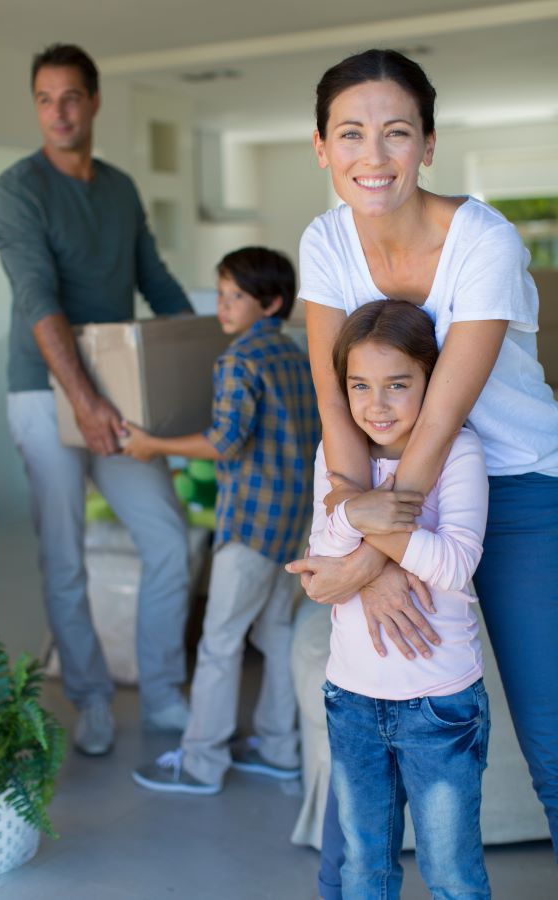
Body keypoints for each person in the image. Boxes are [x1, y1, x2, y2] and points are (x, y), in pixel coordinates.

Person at [284, 48, 558, 894]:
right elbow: (337, 403)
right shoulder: (326, 240)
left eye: (397, 133)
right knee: (361, 715)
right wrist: (352, 521)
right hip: (374, 489)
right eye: (352, 134)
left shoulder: (483, 239)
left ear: (428, 145)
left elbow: (440, 420)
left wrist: (371, 557)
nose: (375, 156)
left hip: (512, 486)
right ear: (322, 148)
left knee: (551, 739)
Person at [0, 44, 193, 756]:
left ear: (95, 101)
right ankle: (92, 697)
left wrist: (217, 351)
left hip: (119, 389)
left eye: (70, 97)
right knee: (64, 554)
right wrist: (80, 398)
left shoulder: (120, 189)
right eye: (44, 99)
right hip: (43, 392)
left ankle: (165, 693)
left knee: (167, 539)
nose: (58, 113)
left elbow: (157, 284)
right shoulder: (19, 189)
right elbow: (38, 300)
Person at [122, 247, 320, 793]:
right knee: (276, 631)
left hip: (251, 523)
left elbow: (225, 441)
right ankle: (281, 748)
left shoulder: (238, 361)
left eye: (236, 296)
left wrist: (151, 444)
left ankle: (203, 761)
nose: (223, 306)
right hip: (294, 522)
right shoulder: (296, 355)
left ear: (272, 302)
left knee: (220, 642)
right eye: (222, 293)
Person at [313, 299, 490, 898]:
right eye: (360, 386)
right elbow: (321, 562)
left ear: (432, 380)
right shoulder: (335, 455)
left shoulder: (459, 451)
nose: (377, 405)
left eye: (397, 384)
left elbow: (455, 563)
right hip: (352, 700)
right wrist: (356, 513)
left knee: (451, 874)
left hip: (439, 705)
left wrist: (358, 515)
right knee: (364, 869)